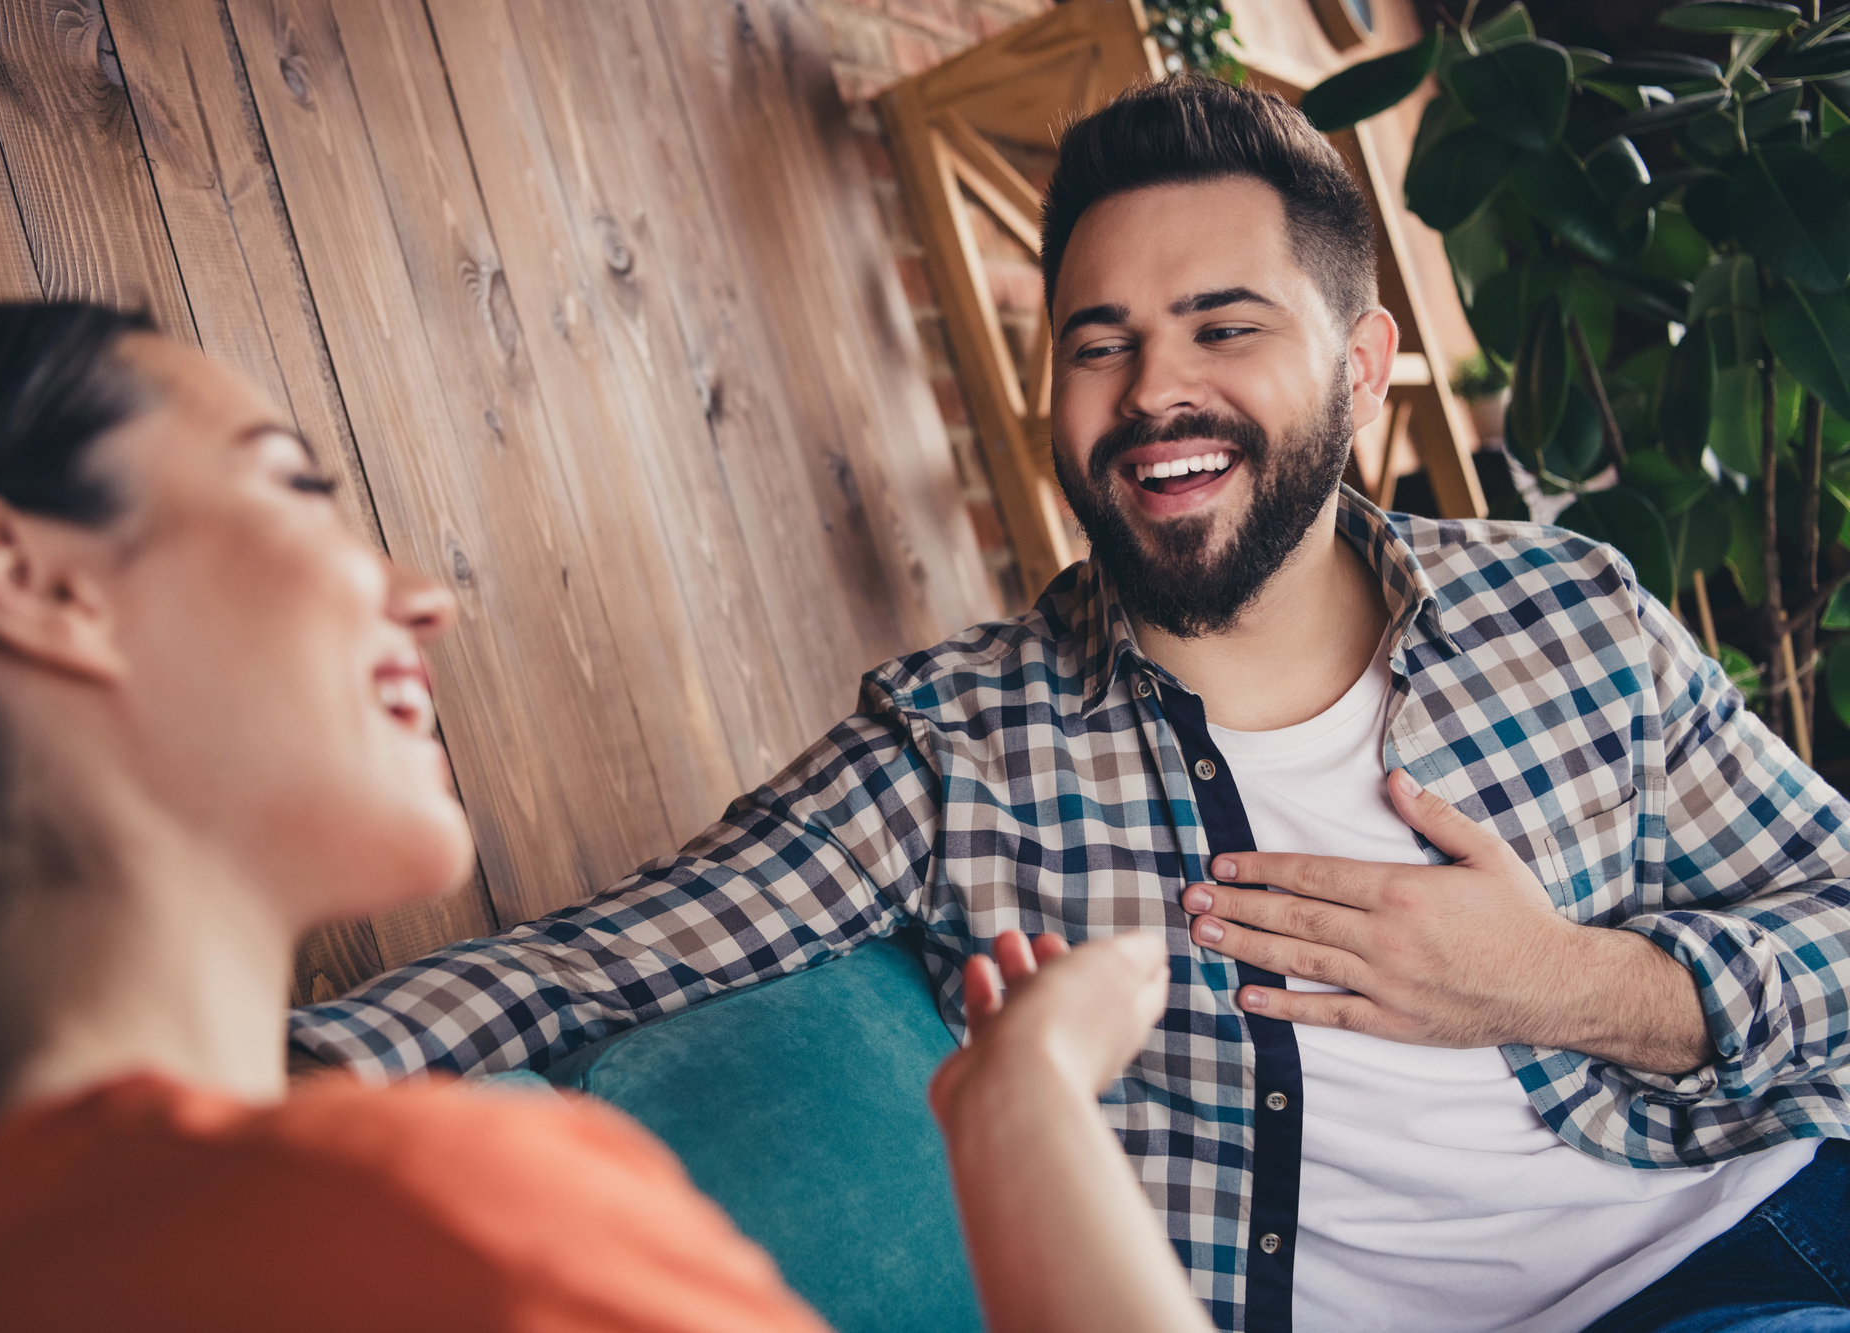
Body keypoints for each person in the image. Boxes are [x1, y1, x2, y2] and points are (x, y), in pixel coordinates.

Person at [289, 74, 1850, 1333]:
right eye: (1099, 342)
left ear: (1365, 364)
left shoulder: (1565, 611)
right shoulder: (961, 745)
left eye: (1224, 327)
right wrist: (202, 1090)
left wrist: (1572, 982)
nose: (1154, 389)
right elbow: (608, 956)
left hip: (1756, 1239)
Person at [0, 302, 1215, 1333]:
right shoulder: (428, 1210)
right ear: (34, 579)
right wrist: (1027, 1102)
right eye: (286, 482)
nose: (415, 591)